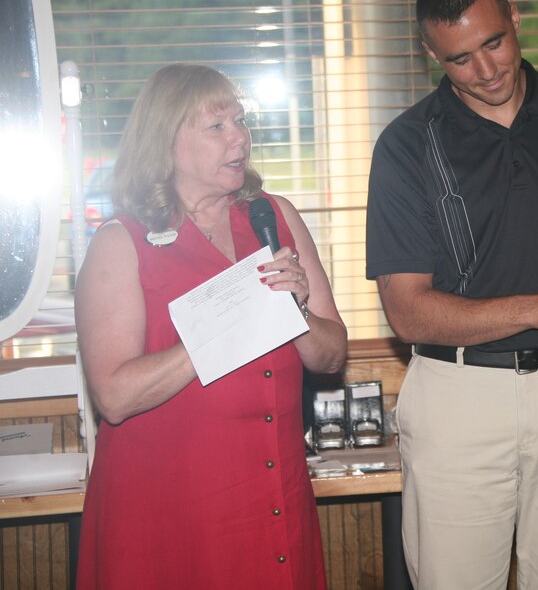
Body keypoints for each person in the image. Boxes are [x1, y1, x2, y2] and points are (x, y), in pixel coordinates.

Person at [365, 0, 538, 589]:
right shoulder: (405, 146)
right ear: (431, 54)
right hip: (458, 397)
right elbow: (408, 312)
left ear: (514, 15)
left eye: (494, 43)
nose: (486, 70)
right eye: (459, 59)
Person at [75, 64, 347, 589]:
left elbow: (332, 354)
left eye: (240, 121)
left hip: (274, 503)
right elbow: (113, 395)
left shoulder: (276, 216)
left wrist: (295, 313)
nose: (239, 137)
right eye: (216, 126)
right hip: (171, 518)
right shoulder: (119, 242)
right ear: (166, 142)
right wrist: (231, 319)